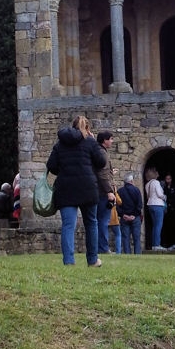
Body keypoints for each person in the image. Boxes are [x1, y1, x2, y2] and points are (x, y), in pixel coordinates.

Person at [46, 114, 107, 266]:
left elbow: (51, 166)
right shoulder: (90, 142)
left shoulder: (60, 144)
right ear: (87, 128)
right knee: (91, 223)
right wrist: (94, 142)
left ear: (72, 126)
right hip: (87, 187)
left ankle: (69, 261)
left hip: (66, 188)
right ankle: (92, 260)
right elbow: (101, 162)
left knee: (68, 225)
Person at [94, 131, 117, 259]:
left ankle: (98, 247)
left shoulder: (97, 151)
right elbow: (102, 174)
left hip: (97, 191)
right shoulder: (102, 153)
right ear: (104, 140)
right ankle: (102, 247)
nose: (112, 141)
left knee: (97, 221)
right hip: (102, 193)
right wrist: (109, 191)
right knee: (103, 221)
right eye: (111, 139)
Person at [118, 173, 143, 254]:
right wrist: (134, 215)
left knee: (125, 238)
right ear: (131, 181)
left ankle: (127, 254)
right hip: (135, 217)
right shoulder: (136, 190)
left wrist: (123, 215)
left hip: (124, 217)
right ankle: (137, 255)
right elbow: (139, 205)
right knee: (136, 238)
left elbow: (117, 206)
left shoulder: (120, 191)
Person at [144, 167, 166, 250]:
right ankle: (157, 245)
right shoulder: (156, 182)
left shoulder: (147, 184)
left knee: (154, 225)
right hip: (158, 205)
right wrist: (165, 196)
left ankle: (154, 244)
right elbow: (160, 194)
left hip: (150, 205)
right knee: (158, 225)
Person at [107, 176, 123, 253]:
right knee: (118, 234)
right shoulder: (113, 194)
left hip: (105, 216)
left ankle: (105, 249)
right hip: (113, 217)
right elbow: (120, 201)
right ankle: (118, 251)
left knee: (105, 234)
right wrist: (115, 192)